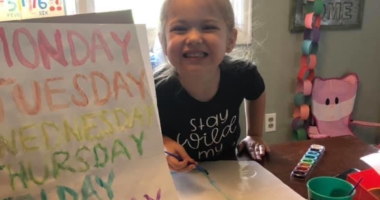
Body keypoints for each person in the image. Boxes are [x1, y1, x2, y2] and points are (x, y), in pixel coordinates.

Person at [154, 0, 269, 173]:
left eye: (208, 27)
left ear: (230, 40)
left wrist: (254, 134)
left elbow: (256, 92)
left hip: (228, 173)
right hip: (179, 179)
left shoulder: (242, 74)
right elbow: (141, 133)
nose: (193, 38)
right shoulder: (154, 89)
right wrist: (162, 143)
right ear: (163, 42)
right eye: (180, 28)